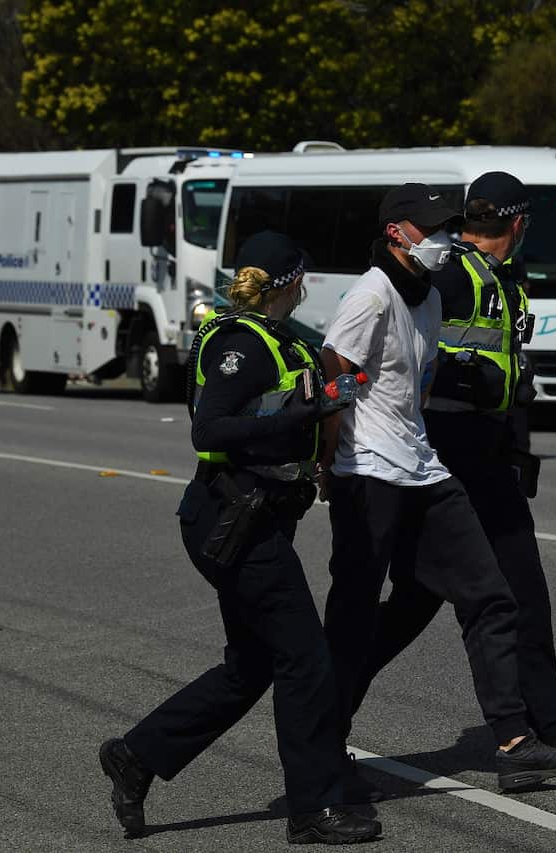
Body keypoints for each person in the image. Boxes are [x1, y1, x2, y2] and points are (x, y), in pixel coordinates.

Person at [98, 231, 383, 845]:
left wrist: (323, 407)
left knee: (251, 665)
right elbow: (208, 430)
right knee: (306, 660)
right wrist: (297, 417)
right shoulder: (239, 343)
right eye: (303, 279)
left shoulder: (279, 340)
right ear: (291, 283)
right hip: (232, 521)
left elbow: (281, 408)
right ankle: (314, 808)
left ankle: (137, 756)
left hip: (252, 519)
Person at [320, 183, 556, 793]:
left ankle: (522, 738)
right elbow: (334, 372)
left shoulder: (451, 290)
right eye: (434, 229)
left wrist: (510, 445)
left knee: (496, 596)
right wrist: (326, 460)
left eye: (451, 226)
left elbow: (478, 371)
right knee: (370, 616)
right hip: (392, 468)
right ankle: (319, 735)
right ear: (399, 233)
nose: (445, 240)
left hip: (437, 463)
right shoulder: (385, 291)